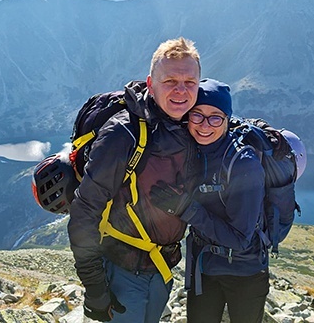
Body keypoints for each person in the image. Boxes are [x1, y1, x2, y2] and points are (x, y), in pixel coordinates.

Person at [68, 37, 201, 323]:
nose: (181, 90)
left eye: (190, 82)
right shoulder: (123, 135)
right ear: (151, 83)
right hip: (122, 274)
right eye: (170, 81)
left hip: (161, 271)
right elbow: (84, 211)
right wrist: (95, 289)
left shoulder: (192, 127)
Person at [150, 79, 269, 323]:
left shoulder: (243, 164)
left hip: (245, 272)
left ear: (227, 120)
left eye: (215, 117)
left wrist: (186, 209)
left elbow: (239, 239)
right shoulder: (188, 152)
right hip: (204, 268)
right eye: (197, 116)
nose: (205, 126)